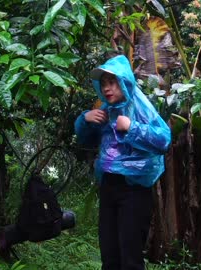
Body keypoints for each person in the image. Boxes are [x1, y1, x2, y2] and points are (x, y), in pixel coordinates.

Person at [74, 55, 171, 270]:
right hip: (109, 186)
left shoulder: (141, 106)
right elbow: (85, 141)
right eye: (104, 83)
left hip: (134, 190)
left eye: (112, 82)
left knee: (130, 258)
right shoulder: (106, 112)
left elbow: (163, 139)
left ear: (125, 82)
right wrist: (85, 120)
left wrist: (132, 126)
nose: (107, 88)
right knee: (109, 255)